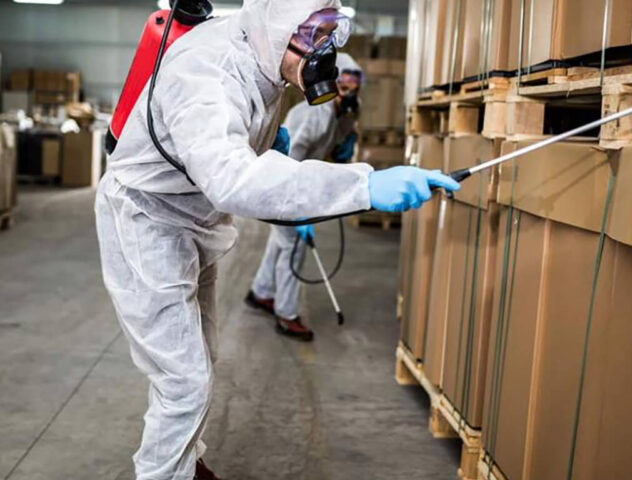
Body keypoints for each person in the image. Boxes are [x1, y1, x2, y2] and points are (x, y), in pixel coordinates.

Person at [95, 1, 460, 479]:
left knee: (200, 358)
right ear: (276, 25)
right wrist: (364, 185)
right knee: (183, 380)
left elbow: (237, 141)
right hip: (147, 222)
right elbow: (231, 178)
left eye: (331, 32)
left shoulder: (266, 57)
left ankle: (183, 461)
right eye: (312, 35)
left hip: (192, 218)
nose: (324, 50)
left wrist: (267, 143)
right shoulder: (206, 72)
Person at [246, 53, 364, 342]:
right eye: (344, 86)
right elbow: (288, 158)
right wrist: (296, 208)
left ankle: (262, 292)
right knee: (294, 246)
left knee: (281, 241)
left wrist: (344, 145)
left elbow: (336, 146)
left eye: (355, 86)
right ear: (333, 82)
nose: (349, 92)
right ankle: (286, 315)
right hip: (282, 176)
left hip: (302, 179)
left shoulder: (349, 111)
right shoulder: (313, 115)